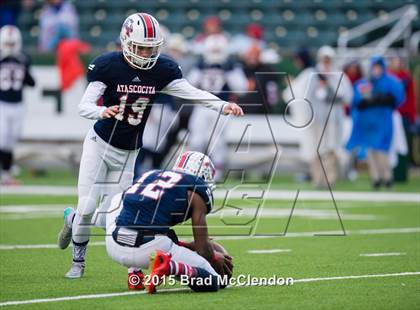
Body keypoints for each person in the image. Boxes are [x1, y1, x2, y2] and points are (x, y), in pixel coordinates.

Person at [57, 12, 243, 280]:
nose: (145, 53)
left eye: (150, 47)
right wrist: (101, 112)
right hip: (99, 144)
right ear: (125, 42)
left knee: (117, 218)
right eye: (140, 46)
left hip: (129, 152)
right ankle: (78, 262)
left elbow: (193, 93)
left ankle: (73, 221)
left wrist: (222, 105)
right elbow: (83, 105)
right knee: (87, 206)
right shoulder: (108, 65)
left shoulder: (162, 70)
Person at [106, 151, 233, 293]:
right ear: (204, 174)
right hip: (147, 249)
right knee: (213, 281)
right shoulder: (197, 188)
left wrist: (187, 246)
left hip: (113, 244)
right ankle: (168, 266)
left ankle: (134, 273)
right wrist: (215, 257)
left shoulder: (151, 175)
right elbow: (204, 250)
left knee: (118, 200)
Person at [188, 34, 248, 180]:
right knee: (196, 140)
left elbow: (242, 88)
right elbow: (188, 84)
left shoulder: (231, 66)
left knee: (216, 142)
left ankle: (216, 174)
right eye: (213, 50)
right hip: (201, 107)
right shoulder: (200, 65)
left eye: (217, 50)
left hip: (222, 108)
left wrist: (228, 74)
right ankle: (194, 170)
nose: (215, 54)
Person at [346, 55, 405, 189]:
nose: (376, 70)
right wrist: (366, 101)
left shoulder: (390, 81)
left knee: (382, 150)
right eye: (374, 67)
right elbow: (356, 101)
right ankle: (376, 178)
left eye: (378, 67)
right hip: (368, 123)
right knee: (371, 151)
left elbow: (398, 98)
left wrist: (383, 98)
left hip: (383, 121)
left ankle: (387, 177)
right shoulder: (364, 83)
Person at [0, 25, 35, 185]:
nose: (10, 47)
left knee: (11, 139)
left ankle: (6, 171)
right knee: (2, 138)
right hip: (2, 103)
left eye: (12, 44)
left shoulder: (23, 58)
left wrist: (23, 67)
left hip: (18, 104)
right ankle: (6, 171)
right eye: (7, 44)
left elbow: (31, 82)